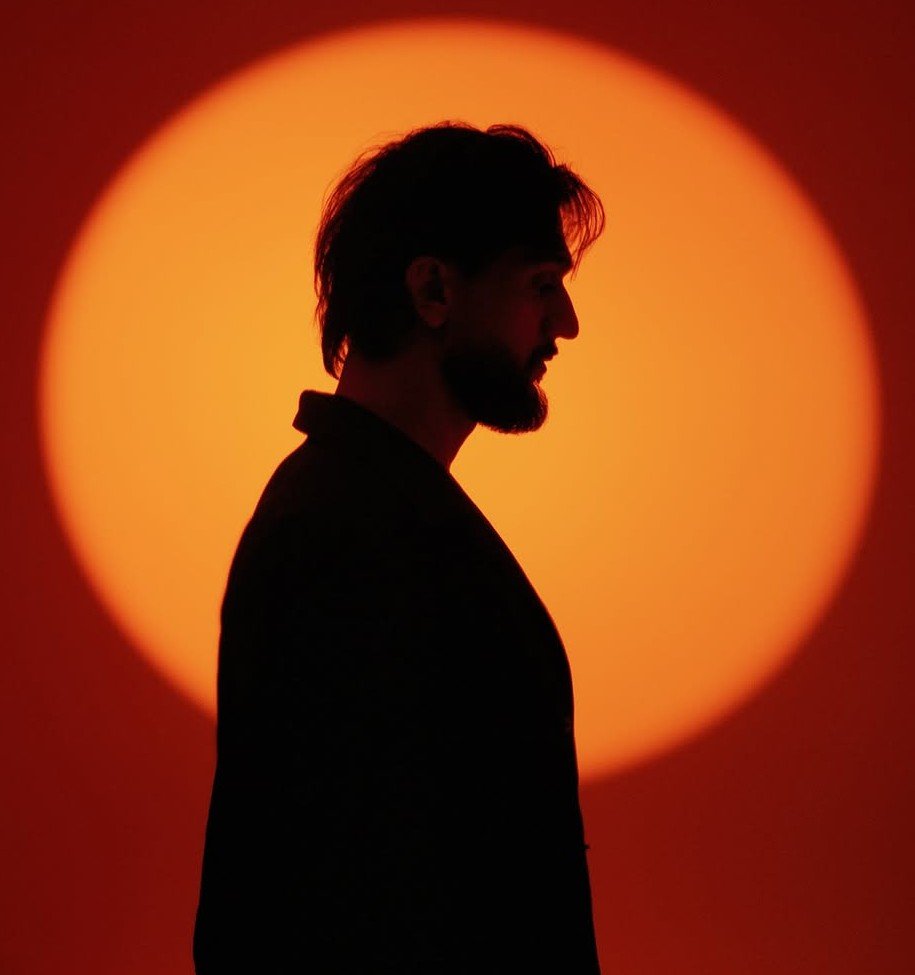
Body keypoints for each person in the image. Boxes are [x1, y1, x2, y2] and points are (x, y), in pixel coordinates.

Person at [193, 120, 605, 973]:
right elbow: (329, 893)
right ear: (432, 290)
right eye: (540, 284)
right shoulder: (342, 537)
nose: (564, 323)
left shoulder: (371, 516)